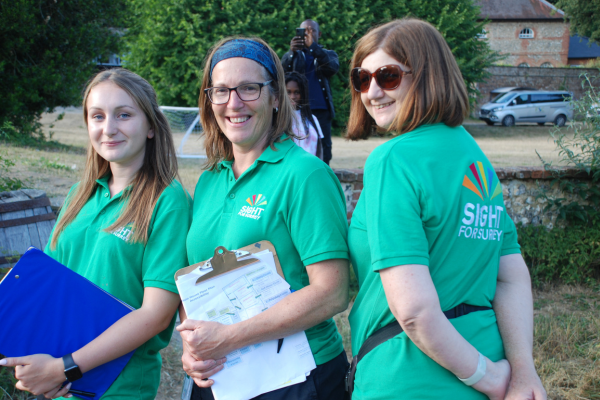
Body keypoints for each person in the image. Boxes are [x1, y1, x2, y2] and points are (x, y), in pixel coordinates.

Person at [345, 19, 546, 399]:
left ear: (426, 76)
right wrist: (521, 372)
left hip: (408, 377)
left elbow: (414, 311)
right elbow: (511, 277)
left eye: (388, 76)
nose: (372, 92)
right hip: (485, 367)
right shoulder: (475, 158)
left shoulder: (393, 159)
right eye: (362, 78)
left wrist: (486, 376)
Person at [0, 69, 191, 400]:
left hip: (117, 387)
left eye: (124, 115)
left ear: (150, 125)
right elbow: (49, 283)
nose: (109, 128)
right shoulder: (79, 194)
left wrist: (67, 367)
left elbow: (156, 315)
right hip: (59, 384)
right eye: (98, 116)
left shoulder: (168, 201)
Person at [178, 37, 350, 400]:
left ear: (275, 97)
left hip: (298, 378)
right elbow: (198, 282)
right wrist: (192, 349)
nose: (234, 103)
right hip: (223, 376)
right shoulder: (210, 179)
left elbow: (331, 292)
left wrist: (229, 336)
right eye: (221, 91)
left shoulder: (306, 175)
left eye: (249, 89)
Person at [281, 19, 338, 165]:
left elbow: (332, 68)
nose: (307, 33)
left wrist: (313, 47)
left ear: (319, 34)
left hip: (320, 108)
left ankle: (323, 174)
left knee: (324, 145)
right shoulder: (294, 54)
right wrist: (292, 53)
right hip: (297, 107)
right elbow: (282, 74)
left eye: (311, 30)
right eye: (304, 31)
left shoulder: (326, 54)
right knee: (294, 142)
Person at [285, 71, 324, 159]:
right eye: (288, 92)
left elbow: (320, 151)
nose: (292, 96)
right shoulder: (277, 120)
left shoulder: (312, 119)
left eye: (296, 92)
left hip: (312, 169)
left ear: (303, 93)